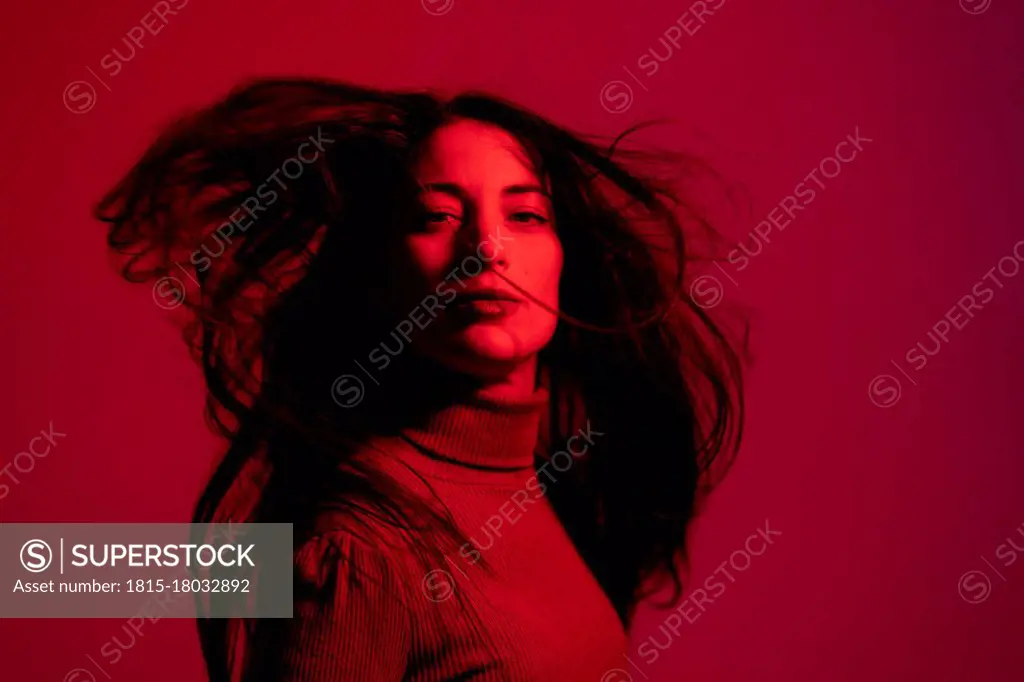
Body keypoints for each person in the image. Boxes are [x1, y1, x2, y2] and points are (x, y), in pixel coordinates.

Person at [95, 77, 745, 681]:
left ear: (566, 260)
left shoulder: (540, 482)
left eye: (525, 216)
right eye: (436, 217)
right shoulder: (364, 556)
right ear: (383, 272)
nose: (486, 248)